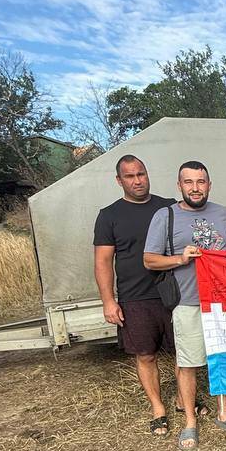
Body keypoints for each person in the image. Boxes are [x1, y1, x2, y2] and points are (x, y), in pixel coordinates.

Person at [143, 161, 226, 450]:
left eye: (201, 182)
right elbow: (149, 260)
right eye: (189, 182)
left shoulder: (223, 213)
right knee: (188, 363)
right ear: (179, 186)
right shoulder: (165, 216)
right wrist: (180, 258)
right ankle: (189, 421)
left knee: (221, 357)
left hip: (220, 301)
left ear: (209, 185)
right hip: (187, 301)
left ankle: (223, 412)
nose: (195, 188)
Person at [93, 155, 176, 436]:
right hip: (135, 296)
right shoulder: (109, 215)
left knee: (183, 353)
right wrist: (108, 301)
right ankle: (158, 408)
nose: (137, 181)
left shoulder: (168, 207)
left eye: (141, 174)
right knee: (146, 355)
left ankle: (184, 399)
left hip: (172, 292)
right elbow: (103, 261)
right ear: (119, 181)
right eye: (130, 176)